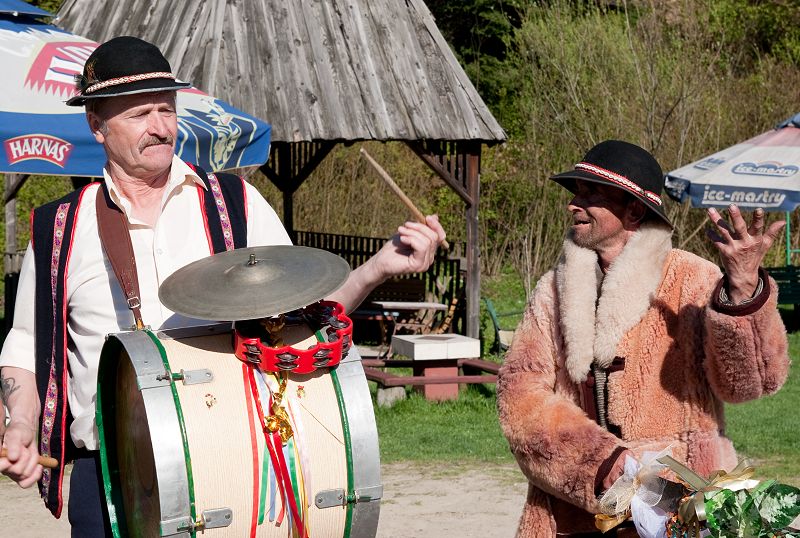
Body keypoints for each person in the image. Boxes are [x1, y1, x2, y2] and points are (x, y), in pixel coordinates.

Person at [0, 36, 446, 536]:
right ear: (96, 125)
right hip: (110, 477)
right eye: (140, 114)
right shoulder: (58, 228)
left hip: (232, 465)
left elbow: (306, 319)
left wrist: (377, 269)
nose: (160, 127)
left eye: (166, 109)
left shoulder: (235, 203)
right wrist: (21, 423)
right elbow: (26, 345)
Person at [497, 140, 790, 537]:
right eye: (576, 193)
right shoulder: (552, 291)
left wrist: (742, 292)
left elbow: (751, 383)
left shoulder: (691, 279)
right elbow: (519, 397)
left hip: (681, 506)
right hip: (572, 515)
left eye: (591, 194)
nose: (573, 205)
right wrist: (600, 463)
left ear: (633, 210)